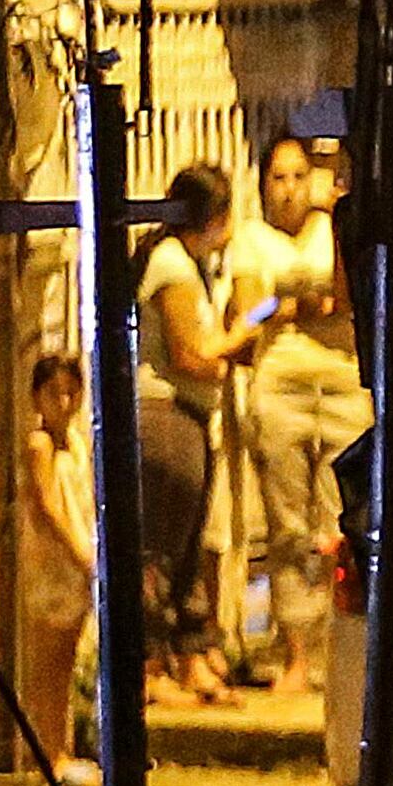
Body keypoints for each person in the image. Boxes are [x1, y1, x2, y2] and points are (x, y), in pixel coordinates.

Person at [136, 162, 282, 701]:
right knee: (161, 549)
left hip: (191, 417)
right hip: (165, 414)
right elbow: (191, 353)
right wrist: (240, 331)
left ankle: (192, 659)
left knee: (190, 543)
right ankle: (151, 668)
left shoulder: (196, 265)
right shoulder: (171, 264)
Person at [231, 130, 374, 675]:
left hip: (340, 381)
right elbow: (249, 311)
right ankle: (295, 652)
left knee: (340, 518)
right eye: (278, 177)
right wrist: (293, 304)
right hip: (281, 385)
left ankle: (339, 649)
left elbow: (342, 296)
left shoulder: (327, 226)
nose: (289, 189)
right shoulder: (251, 239)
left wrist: (289, 302)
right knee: (288, 524)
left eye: (297, 175)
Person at [11, 345, 96, 776]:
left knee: (65, 659)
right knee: (46, 660)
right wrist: (78, 551)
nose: (63, 403)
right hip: (53, 561)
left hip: (77, 560)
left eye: (71, 393)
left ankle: (59, 746)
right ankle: (45, 751)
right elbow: (45, 505)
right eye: (54, 394)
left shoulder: (78, 444)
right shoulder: (39, 445)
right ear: (37, 398)